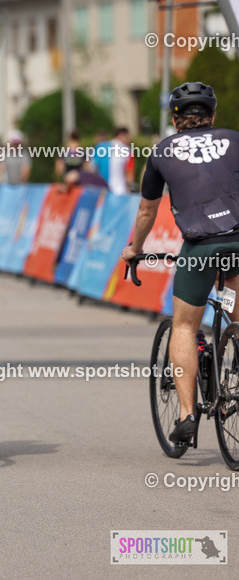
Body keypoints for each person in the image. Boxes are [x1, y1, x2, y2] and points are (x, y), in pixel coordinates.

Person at [121, 82, 239, 445]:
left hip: (201, 244)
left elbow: (147, 209)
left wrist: (133, 249)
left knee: (185, 327)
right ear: (213, 115)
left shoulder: (160, 152)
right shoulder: (235, 138)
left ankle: (188, 415)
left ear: (175, 119)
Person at [107, 127, 133, 195]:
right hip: (120, 191)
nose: (130, 139)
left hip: (102, 190)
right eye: (128, 136)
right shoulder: (128, 151)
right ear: (121, 135)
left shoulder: (101, 147)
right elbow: (129, 175)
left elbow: (92, 168)